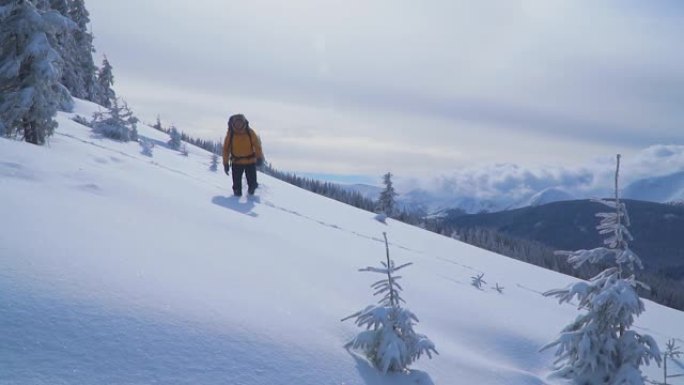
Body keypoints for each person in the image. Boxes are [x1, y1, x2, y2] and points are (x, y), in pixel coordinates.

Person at [222, 114, 265, 196]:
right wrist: (225, 163)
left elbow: (257, 145)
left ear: (244, 123)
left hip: (250, 161)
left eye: (240, 123)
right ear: (233, 124)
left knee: (253, 185)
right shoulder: (230, 134)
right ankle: (236, 201)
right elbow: (226, 149)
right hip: (236, 162)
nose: (238, 125)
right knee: (236, 187)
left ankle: (251, 196)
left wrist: (259, 157)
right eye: (236, 123)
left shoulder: (250, 132)